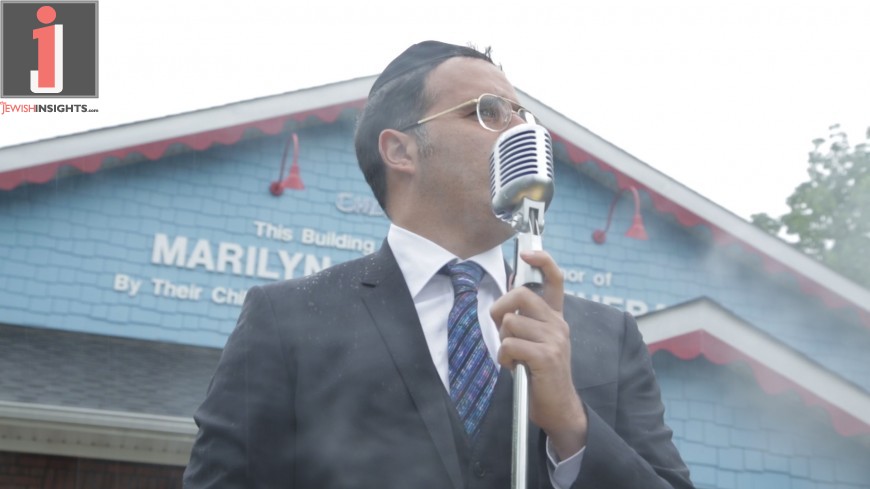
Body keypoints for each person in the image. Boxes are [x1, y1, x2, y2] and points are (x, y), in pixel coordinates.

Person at [183, 41, 694, 489]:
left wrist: (572, 426)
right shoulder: (286, 320)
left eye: (523, 115)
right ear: (400, 150)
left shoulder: (610, 336)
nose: (522, 129)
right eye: (487, 112)